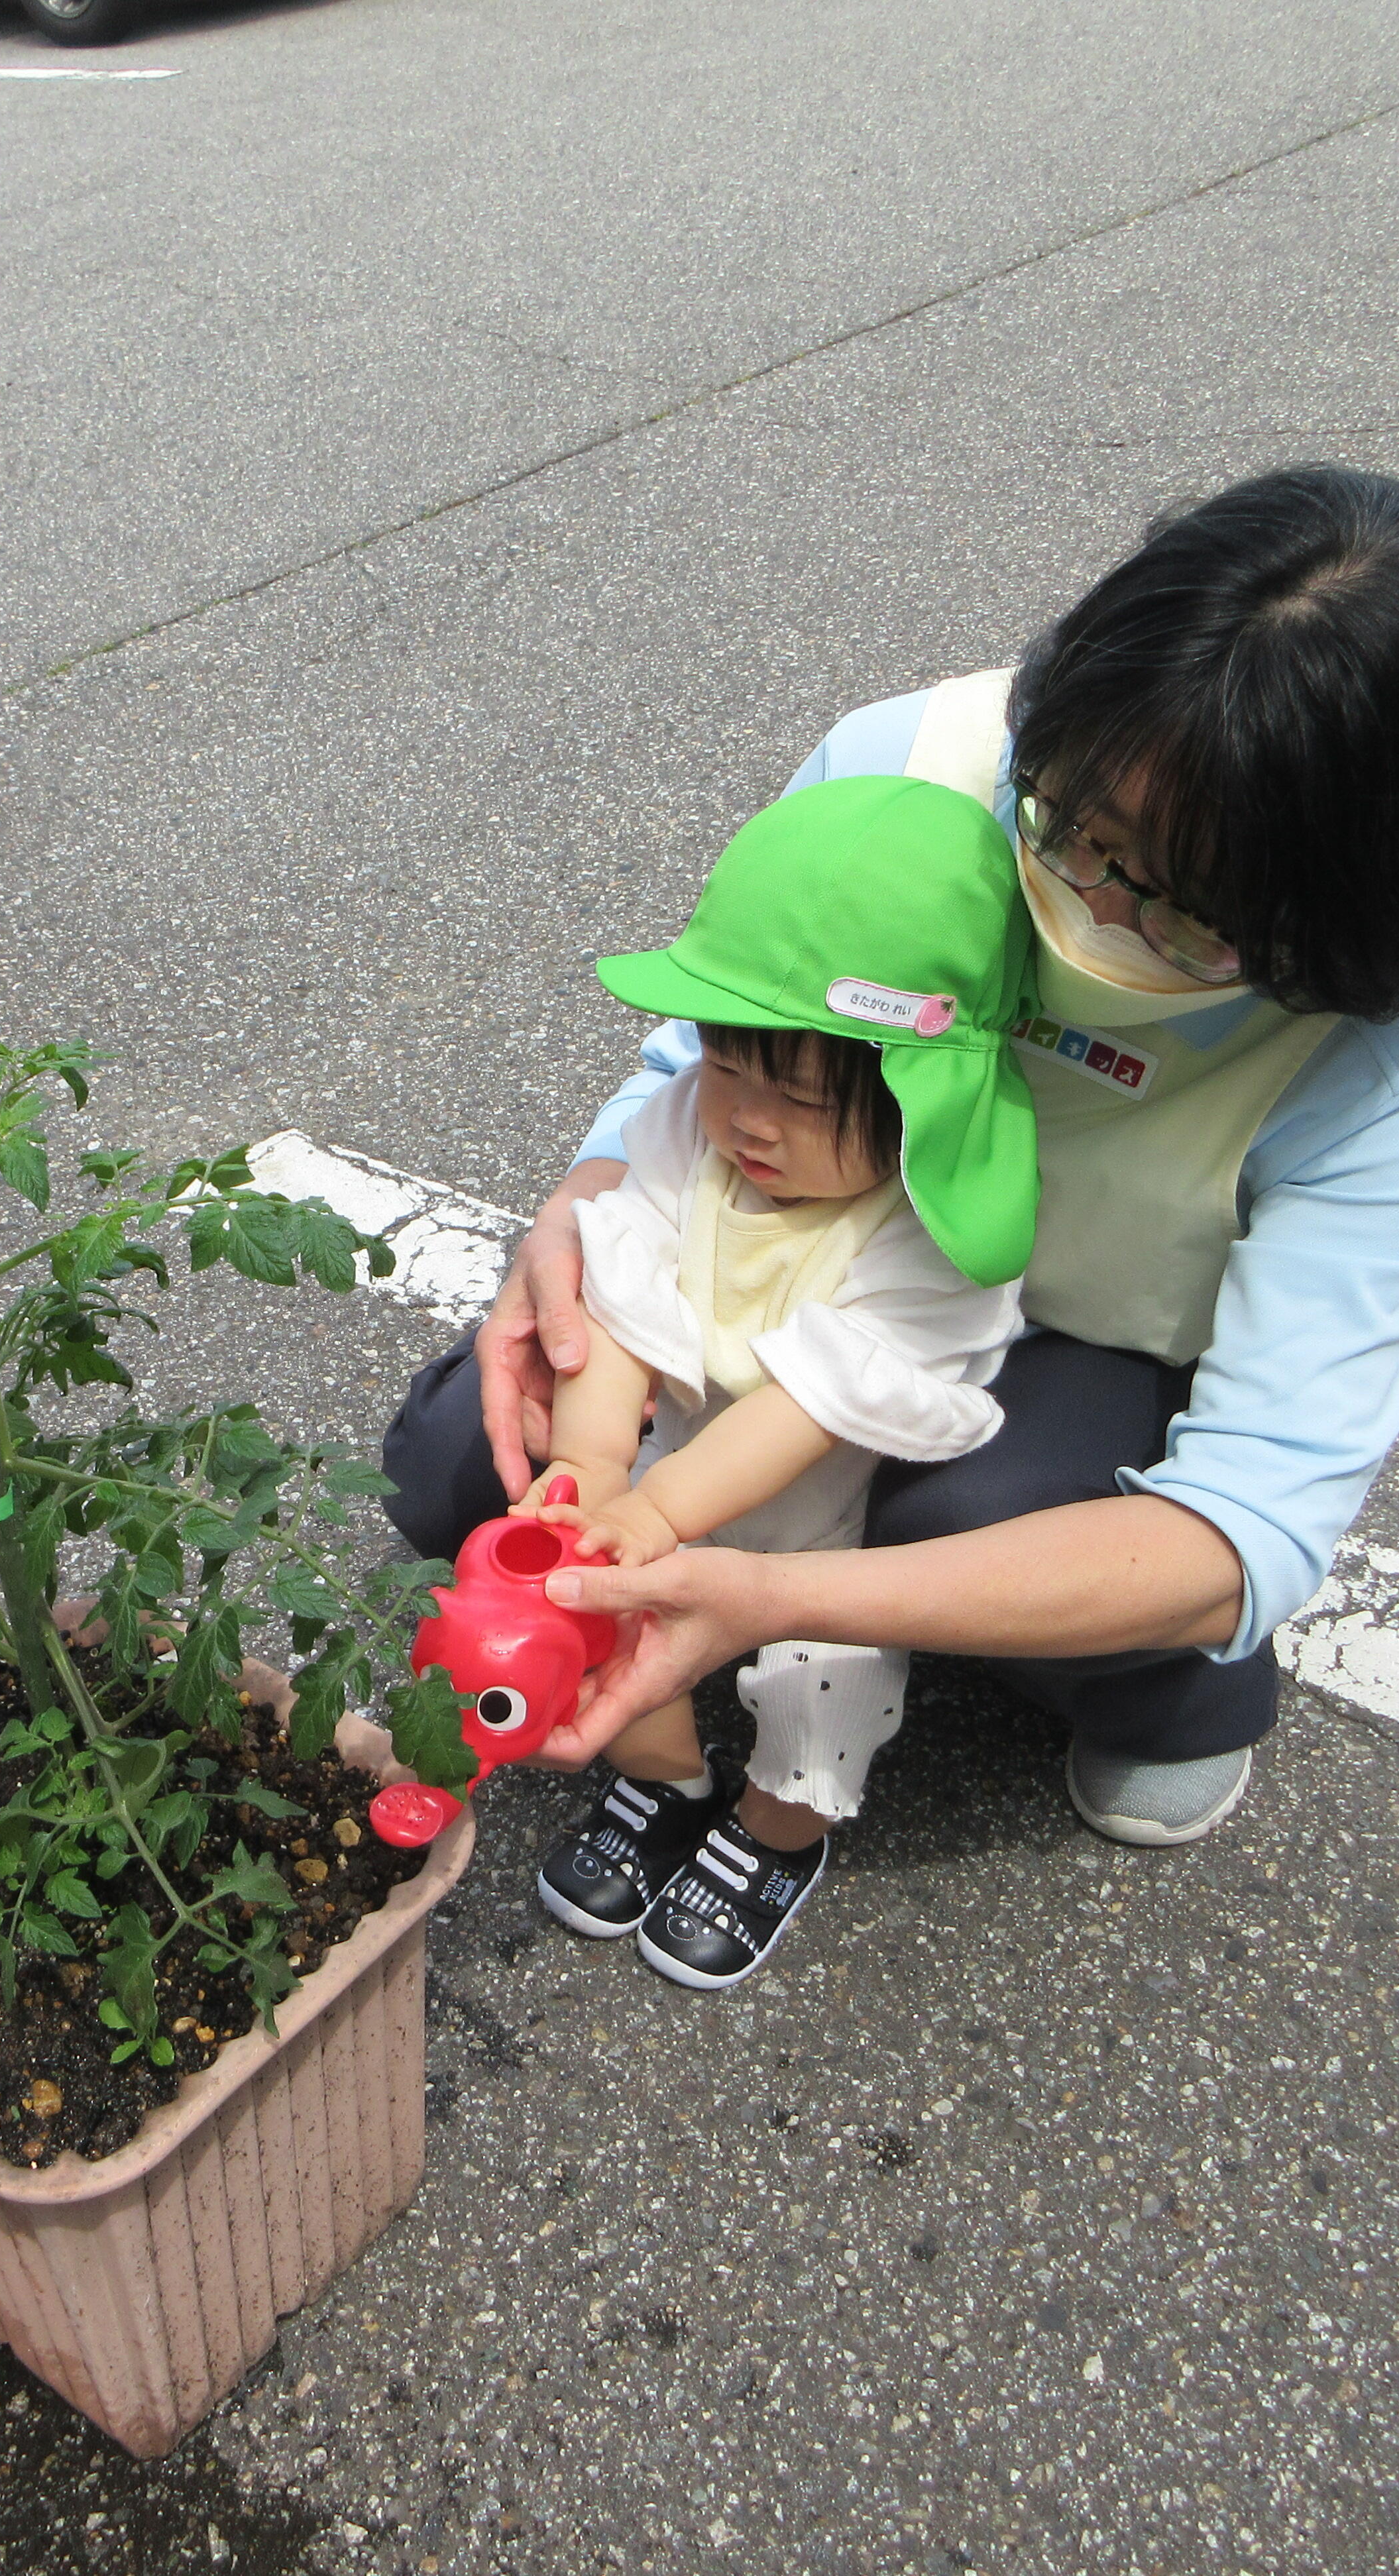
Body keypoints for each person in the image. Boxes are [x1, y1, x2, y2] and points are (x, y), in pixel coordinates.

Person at [383, 462, 1399, 1851]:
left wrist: (773, 1600)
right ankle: (865, 1593)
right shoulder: (916, 763)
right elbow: (700, 1060)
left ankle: (1169, 1694)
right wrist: (579, 1213)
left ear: (1354, 931)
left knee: (979, 1501)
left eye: (1189, 911)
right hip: (807, 1243)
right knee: (476, 1458)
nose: (1095, 908)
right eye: (1071, 828)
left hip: (1080, 1339)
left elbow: (1247, 1516)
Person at [516, 777, 1031, 1990]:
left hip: (816, 1517)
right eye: (731, 1063)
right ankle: (663, 1780)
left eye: (803, 1098)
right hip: (671, 1459)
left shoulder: (925, 1233)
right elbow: (619, 1296)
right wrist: (593, 1471)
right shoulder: (689, 1129)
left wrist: (655, 1515)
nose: (749, 1118)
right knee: (613, 1620)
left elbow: (811, 1401)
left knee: (821, 1674)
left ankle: (775, 1831)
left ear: (920, 1106)